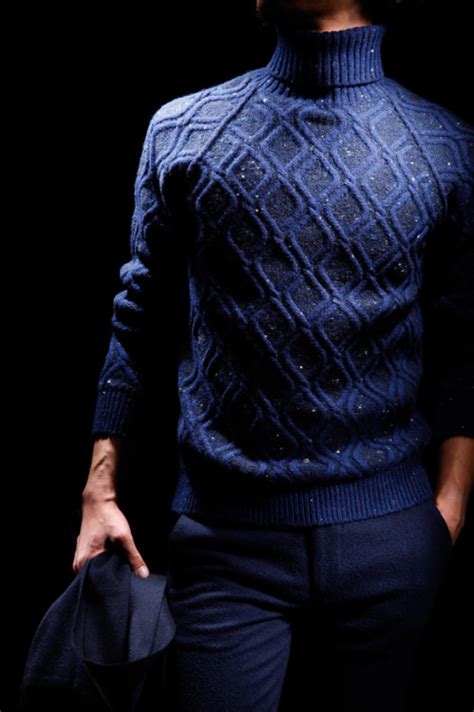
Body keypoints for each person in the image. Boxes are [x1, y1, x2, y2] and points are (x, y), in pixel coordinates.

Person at [73, 0, 474, 709]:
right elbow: (138, 319)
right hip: (223, 548)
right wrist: (99, 489)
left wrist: (450, 505)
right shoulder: (184, 128)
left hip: (393, 540)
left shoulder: (447, 144)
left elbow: (464, 342)